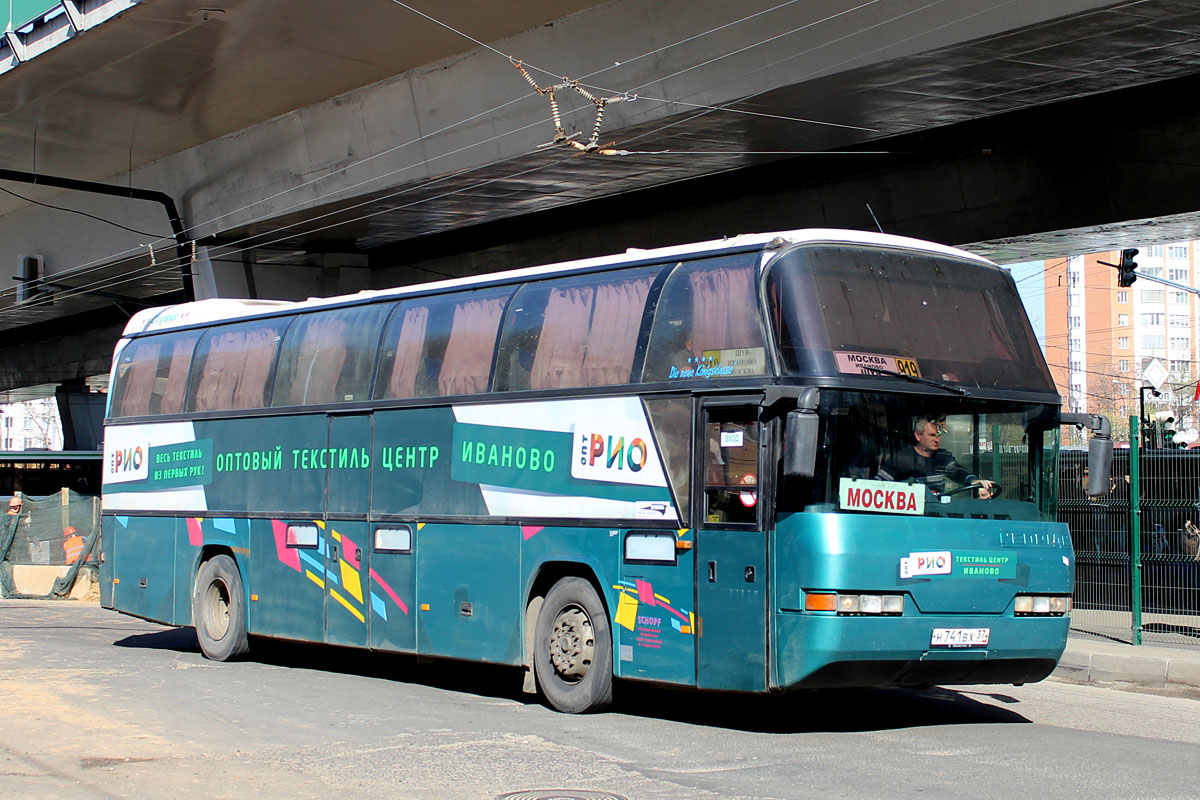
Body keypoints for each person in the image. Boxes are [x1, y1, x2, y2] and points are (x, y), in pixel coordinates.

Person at [878, 417, 994, 498]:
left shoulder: (942, 457)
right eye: (932, 435)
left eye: (938, 436)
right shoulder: (901, 458)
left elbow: (957, 471)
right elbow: (878, 486)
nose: (937, 439)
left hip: (936, 515)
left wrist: (973, 480)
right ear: (918, 436)